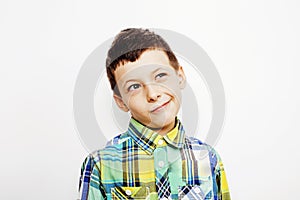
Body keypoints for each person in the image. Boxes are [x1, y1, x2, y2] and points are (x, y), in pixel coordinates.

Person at [78, 28, 231, 200]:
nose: (152, 94)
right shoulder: (101, 164)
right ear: (121, 102)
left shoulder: (209, 159)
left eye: (160, 75)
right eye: (134, 86)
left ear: (179, 76)